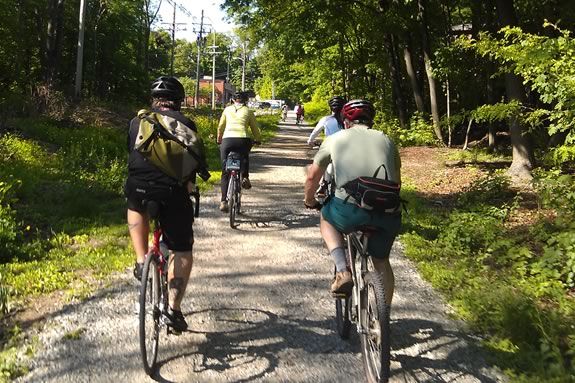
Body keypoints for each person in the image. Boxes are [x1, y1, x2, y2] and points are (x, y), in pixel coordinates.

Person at [303, 99, 401, 307]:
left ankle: (342, 270)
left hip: (349, 210)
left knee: (326, 218)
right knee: (382, 261)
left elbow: (313, 176)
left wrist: (309, 200)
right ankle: (382, 318)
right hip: (388, 211)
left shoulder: (336, 138)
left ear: (346, 121)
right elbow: (397, 181)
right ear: (371, 121)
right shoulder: (387, 140)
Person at [125, 76, 204, 332]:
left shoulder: (137, 121)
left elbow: (132, 154)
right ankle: (174, 309)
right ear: (179, 101)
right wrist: (189, 186)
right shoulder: (186, 123)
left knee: (135, 206)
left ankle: (140, 261)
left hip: (138, 187)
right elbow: (190, 163)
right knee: (181, 248)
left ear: (153, 100)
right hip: (171, 192)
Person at [217, 91, 262, 212]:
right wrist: (258, 139)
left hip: (227, 140)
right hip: (243, 139)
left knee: (225, 172)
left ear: (233, 100)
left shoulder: (227, 110)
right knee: (244, 155)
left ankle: (223, 201)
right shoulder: (248, 111)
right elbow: (254, 128)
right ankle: (245, 177)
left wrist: (219, 139)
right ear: (245, 101)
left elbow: (221, 126)